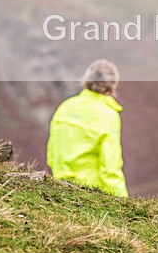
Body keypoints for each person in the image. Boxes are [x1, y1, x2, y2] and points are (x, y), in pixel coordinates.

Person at [46, 59, 128, 197]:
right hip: (93, 193)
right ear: (112, 84)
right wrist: (123, 201)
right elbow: (110, 166)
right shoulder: (108, 115)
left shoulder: (66, 106)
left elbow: (52, 152)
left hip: (60, 186)